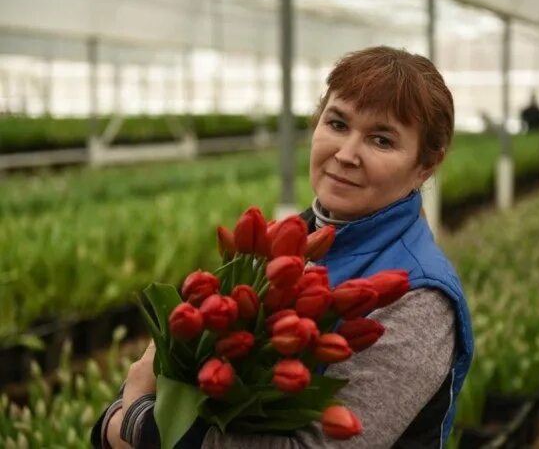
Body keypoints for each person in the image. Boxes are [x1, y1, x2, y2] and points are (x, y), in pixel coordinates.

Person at [91, 46, 474, 449]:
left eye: (381, 140)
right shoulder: (284, 242)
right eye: (338, 123)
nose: (345, 155)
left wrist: (134, 424)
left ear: (425, 165)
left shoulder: (421, 297)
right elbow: (164, 370)